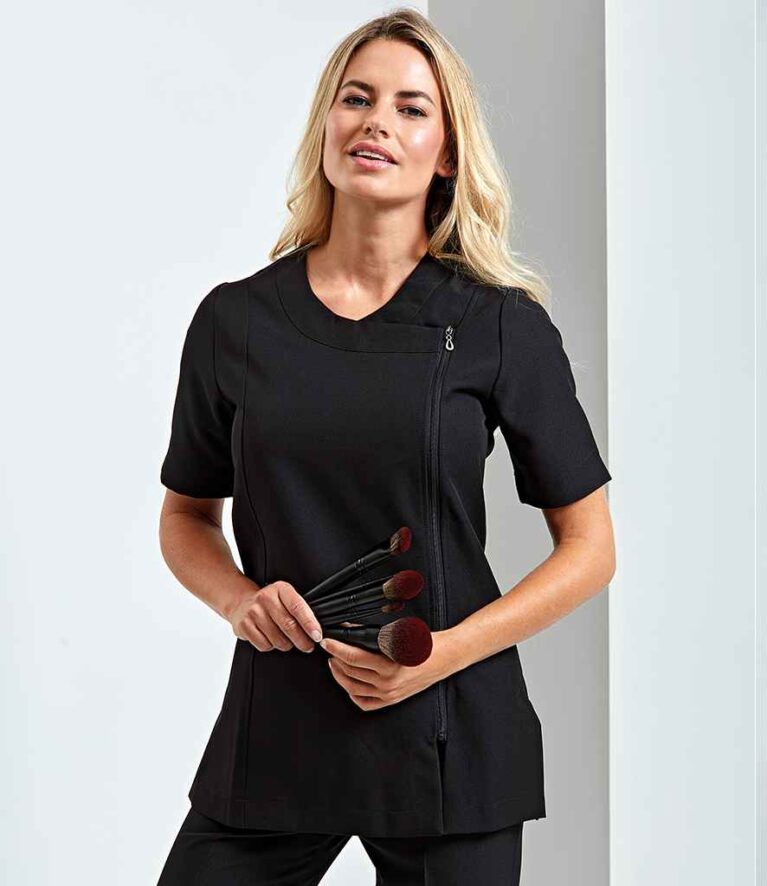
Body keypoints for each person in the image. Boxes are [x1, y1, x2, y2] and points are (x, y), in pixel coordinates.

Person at [155, 8, 615, 885]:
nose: (376, 123)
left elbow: (590, 549)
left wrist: (441, 655)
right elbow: (185, 518)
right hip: (279, 730)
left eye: (410, 108)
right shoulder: (235, 323)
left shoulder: (500, 325)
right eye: (356, 98)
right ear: (326, 124)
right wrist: (237, 601)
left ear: (446, 153)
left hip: (449, 731)